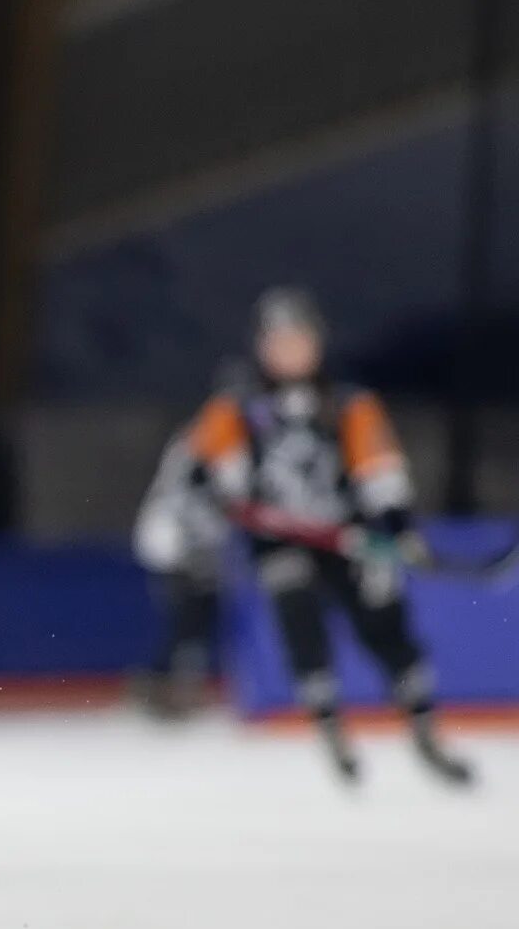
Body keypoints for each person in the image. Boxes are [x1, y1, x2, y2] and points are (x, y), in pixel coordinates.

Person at [184, 288, 471, 784]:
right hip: (282, 541)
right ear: (261, 347)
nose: (291, 352)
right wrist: (212, 486)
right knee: (298, 615)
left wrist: (398, 527)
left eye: (300, 340)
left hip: (348, 536)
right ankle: (328, 725)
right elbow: (204, 470)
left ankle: (424, 726)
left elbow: (378, 470)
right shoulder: (235, 407)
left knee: (384, 624)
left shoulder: (347, 403)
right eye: (280, 342)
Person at [130, 423, 229, 718]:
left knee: (198, 618)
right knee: (186, 618)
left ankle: (176, 686)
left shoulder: (212, 442)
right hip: (177, 545)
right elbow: (186, 497)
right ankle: (163, 687)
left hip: (195, 546)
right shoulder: (200, 441)